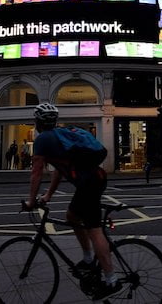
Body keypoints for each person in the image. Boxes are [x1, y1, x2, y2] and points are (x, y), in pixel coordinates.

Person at [25, 102, 121, 300]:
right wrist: (48, 195)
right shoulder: (60, 136)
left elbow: (36, 173)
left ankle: (111, 281)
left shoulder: (43, 139)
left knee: (94, 230)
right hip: (94, 179)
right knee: (72, 216)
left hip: (90, 184)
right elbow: (59, 171)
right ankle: (88, 259)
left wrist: (31, 201)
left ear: (37, 122)